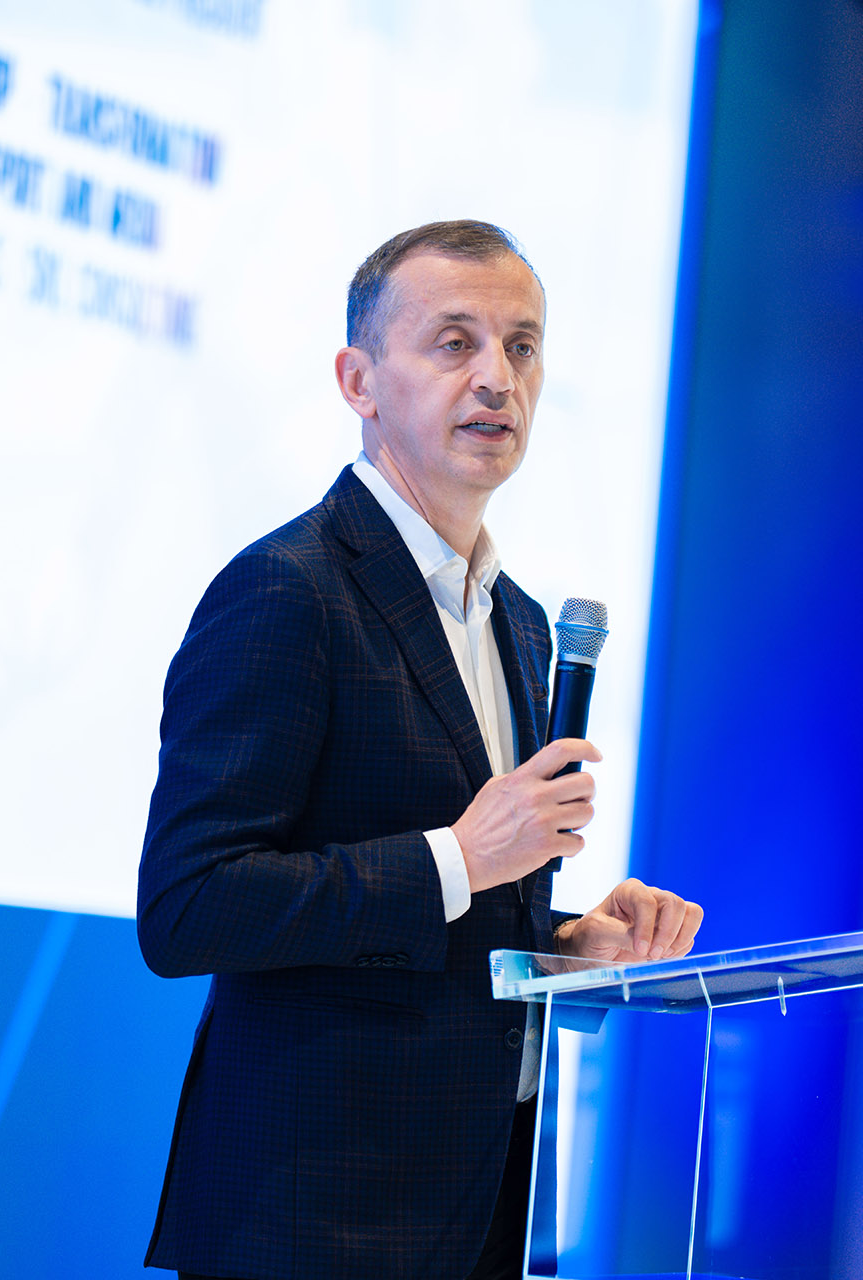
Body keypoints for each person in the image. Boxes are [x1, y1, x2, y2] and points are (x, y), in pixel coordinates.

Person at [136, 220, 705, 1280]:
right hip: (311, 1224)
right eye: (454, 343)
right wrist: (458, 856)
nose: (497, 377)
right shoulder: (287, 591)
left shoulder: (521, 622)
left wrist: (568, 944)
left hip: (479, 1214)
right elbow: (188, 906)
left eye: (522, 346)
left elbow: (455, 922)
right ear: (358, 381)